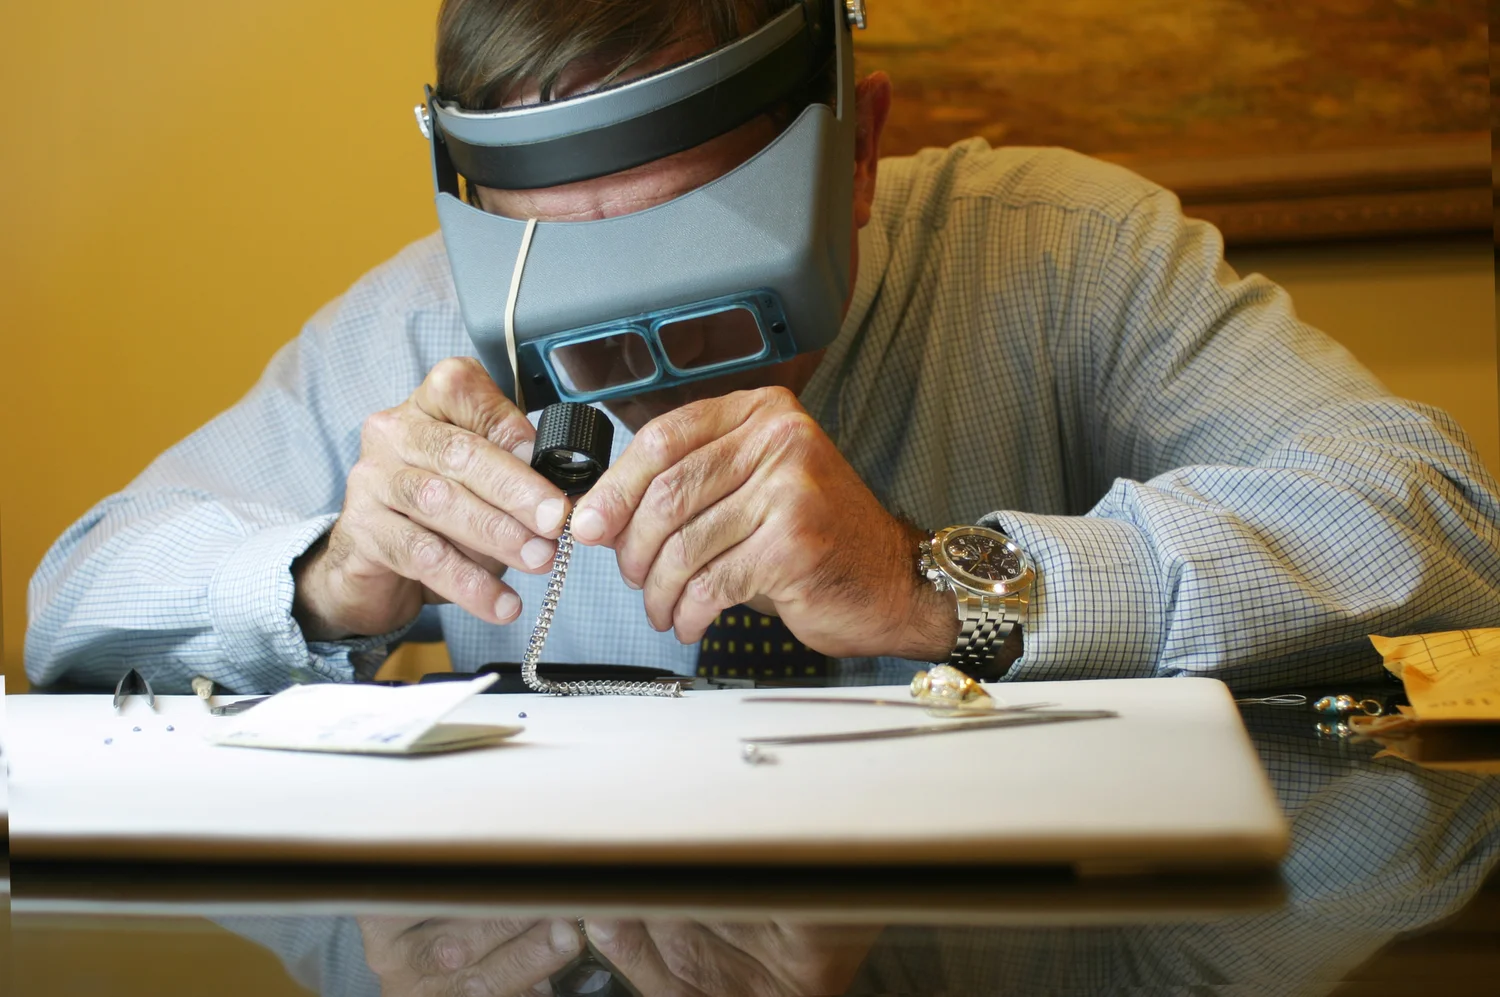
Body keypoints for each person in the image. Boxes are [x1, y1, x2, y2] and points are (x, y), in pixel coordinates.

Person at [26, 0, 1500, 695]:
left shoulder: (1064, 253)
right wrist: (329, 578)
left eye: (694, 251)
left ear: (856, 156)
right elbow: (74, 597)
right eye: (563, 259)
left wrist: (939, 583)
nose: (632, 339)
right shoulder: (422, 322)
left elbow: (1442, 526)